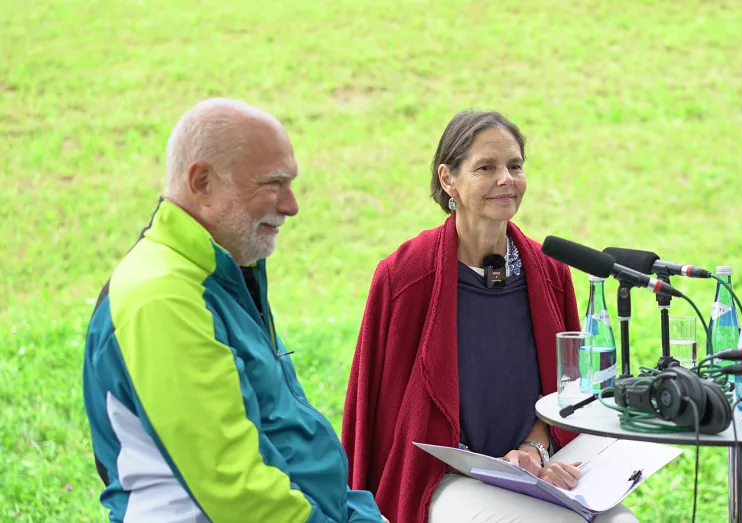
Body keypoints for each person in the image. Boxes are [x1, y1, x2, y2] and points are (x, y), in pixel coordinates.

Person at [82, 98, 385, 523]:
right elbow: (239, 493)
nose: (291, 205)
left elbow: (279, 438)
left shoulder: (220, 274)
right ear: (202, 182)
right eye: (274, 184)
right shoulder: (165, 298)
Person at [342, 110, 638, 523]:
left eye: (515, 166)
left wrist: (534, 450)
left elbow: (568, 392)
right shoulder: (405, 275)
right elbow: (380, 410)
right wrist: (488, 466)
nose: (506, 179)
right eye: (486, 167)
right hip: (443, 477)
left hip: (539, 468)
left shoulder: (550, 272)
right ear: (448, 179)